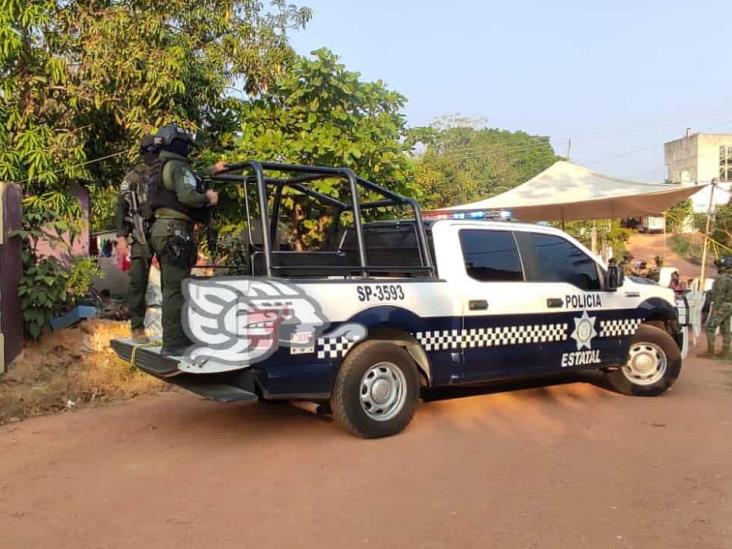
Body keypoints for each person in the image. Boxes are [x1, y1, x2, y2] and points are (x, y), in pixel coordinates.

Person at [147, 124, 222, 356]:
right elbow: (188, 194)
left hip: (161, 230)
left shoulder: (159, 167)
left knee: (171, 287)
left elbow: (190, 177)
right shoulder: (178, 166)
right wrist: (207, 198)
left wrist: (212, 169)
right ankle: (174, 344)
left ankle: (174, 340)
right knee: (176, 289)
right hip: (175, 231)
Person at [116, 135, 159, 343]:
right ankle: (137, 327)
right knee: (138, 282)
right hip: (140, 235)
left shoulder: (166, 171)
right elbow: (121, 206)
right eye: (149, 152)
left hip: (162, 232)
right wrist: (121, 236)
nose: (152, 156)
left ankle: (172, 329)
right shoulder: (133, 176)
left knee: (171, 283)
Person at [703, 256, 732, 359]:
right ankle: (726, 352)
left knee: (711, 327)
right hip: (729, 305)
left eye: (719, 266)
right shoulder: (730, 277)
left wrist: (716, 309)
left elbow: (719, 295)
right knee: (726, 329)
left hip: (722, 305)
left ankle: (710, 352)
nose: (718, 268)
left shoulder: (722, 278)